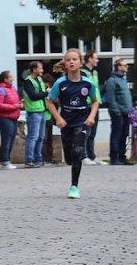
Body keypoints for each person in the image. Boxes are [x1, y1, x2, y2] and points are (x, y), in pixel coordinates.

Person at [47, 48, 99, 199]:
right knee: (70, 157)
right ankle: (71, 160)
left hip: (82, 121)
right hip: (66, 122)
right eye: (68, 60)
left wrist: (91, 116)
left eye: (74, 59)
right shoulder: (60, 83)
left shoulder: (88, 83)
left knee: (77, 152)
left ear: (80, 63)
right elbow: (50, 103)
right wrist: (58, 118)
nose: (71, 62)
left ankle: (74, 187)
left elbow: (95, 101)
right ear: (65, 63)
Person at [104, 59, 132, 165]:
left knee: (124, 135)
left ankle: (122, 156)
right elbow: (110, 98)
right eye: (125, 65)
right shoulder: (112, 80)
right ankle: (114, 157)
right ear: (119, 67)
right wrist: (116, 110)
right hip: (118, 112)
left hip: (126, 112)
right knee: (117, 135)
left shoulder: (123, 80)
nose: (127, 67)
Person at [22, 60, 49, 168]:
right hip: (33, 112)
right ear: (34, 69)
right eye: (40, 68)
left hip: (42, 111)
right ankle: (29, 160)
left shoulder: (39, 79)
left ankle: (38, 159)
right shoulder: (28, 81)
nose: (42, 70)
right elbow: (33, 96)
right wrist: (46, 92)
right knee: (33, 137)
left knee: (41, 137)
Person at [0, 70, 23, 169]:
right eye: (10, 77)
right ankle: (4, 161)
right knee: (6, 139)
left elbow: (16, 100)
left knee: (11, 138)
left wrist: (20, 104)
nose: (12, 79)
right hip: (4, 117)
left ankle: (7, 159)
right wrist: (14, 106)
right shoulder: (1, 90)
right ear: (5, 79)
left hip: (14, 117)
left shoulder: (13, 88)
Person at [81, 51, 104, 165]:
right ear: (89, 59)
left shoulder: (95, 72)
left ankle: (92, 156)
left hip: (95, 104)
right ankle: (84, 156)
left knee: (93, 132)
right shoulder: (82, 72)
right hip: (87, 104)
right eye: (95, 58)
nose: (97, 60)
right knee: (86, 131)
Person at [42, 73, 56, 165]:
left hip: (49, 117)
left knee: (49, 139)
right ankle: (43, 158)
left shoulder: (50, 90)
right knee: (44, 139)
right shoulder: (43, 91)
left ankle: (49, 158)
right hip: (44, 116)